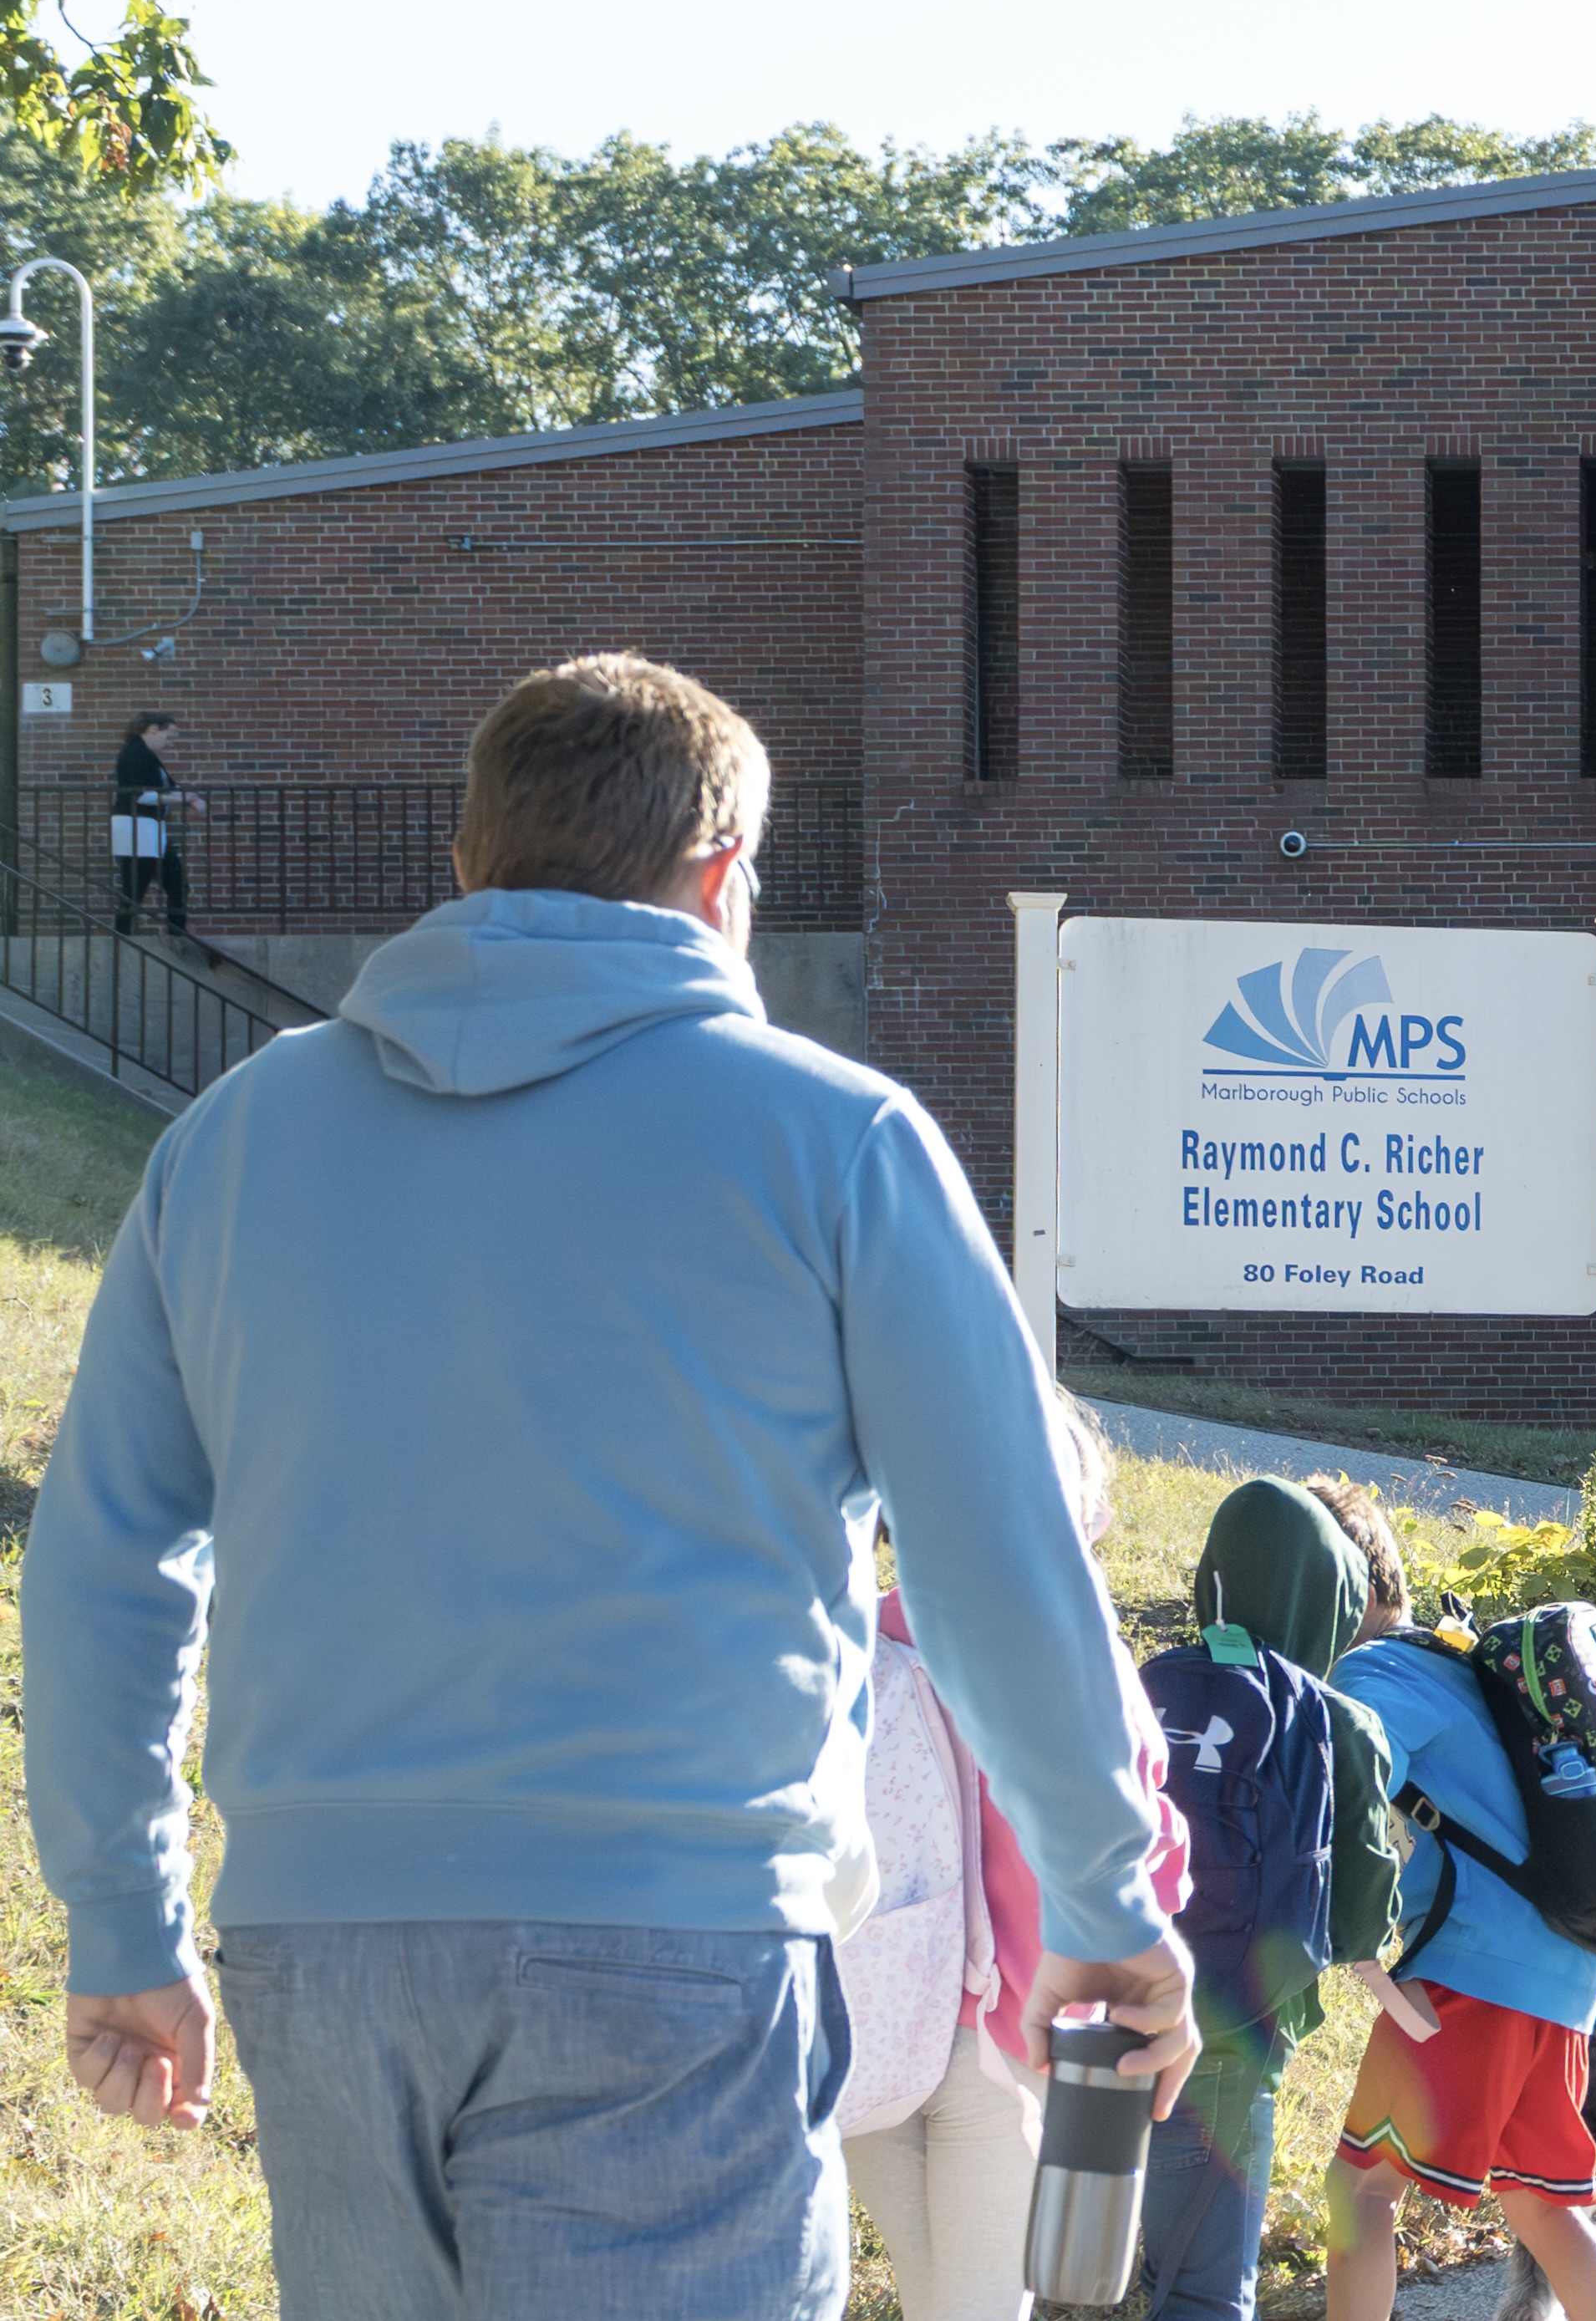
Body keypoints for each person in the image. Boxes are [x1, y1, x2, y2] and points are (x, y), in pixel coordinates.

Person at [24, 654, 1197, 2317]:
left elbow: (104, 1562)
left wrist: (122, 1917)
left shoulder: (226, 1142)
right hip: (678, 1935)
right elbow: (994, 1559)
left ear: (463, 864)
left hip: (321, 1938)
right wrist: (1096, 1895)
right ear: (724, 876)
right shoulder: (839, 1138)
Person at [847, 1412, 1196, 2321]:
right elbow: (1147, 1847)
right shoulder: (1073, 1649)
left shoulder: (863, 1633)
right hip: (1015, 2035)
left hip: (873, 2015)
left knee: (927, 2276)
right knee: (971, 2301)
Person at [1324, 1558, 1596, 2318]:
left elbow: (1353, 1781)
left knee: (1360, 2187)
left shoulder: (1375, 1671)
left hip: (1473, 1973)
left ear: (1355, 1592)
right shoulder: (1457, 1664)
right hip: (1568, 1970)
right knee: (1542, 2206)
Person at [1138, 1476, 1410, 2321]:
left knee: (1063, 2262)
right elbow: (1362, 1921)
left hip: (1094, 2012)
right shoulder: (1338, 1721)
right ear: (1331, 1597)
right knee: (1204, 2290)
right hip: (1229, 2045)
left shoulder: (1148, 1680)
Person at [108, 710, 201, 943]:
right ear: (153, 730)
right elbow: (140, 795)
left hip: (148, 830)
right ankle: (167, 933)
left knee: (160, 885)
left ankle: (172, 932)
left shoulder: (145, 754)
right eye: (168, 736)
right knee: (142, 889)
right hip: (138, 830)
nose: (169, 742)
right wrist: (184, 799)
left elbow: (168, 787)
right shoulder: (134, 753)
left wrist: (190, 798)